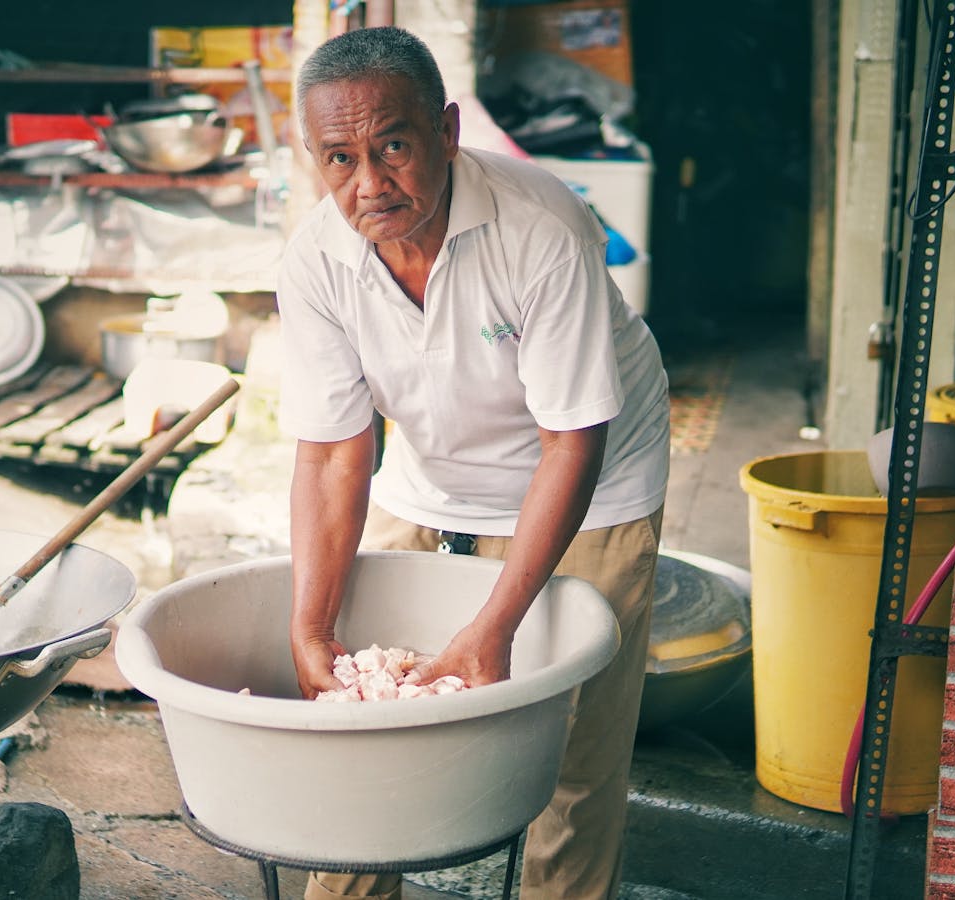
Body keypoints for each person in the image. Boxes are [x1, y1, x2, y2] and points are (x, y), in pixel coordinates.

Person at [276, 25, 670, 900]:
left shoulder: (541, 227)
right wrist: (309, 626)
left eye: (394, 146)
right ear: (312, 158)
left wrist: (493, 628)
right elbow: (336, 453)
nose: (369, 183)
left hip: (593, 482)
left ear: (447, 132)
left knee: (567, 751)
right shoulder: (315, 259)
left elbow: (574, 442)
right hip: (434, 474)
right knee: (367, 729)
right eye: (338, 159)